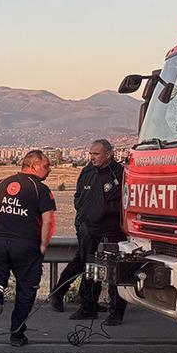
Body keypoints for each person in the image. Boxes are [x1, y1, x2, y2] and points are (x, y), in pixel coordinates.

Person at [0, 149, 56, 346]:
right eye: (46, 166)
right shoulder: (40, 189)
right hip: (26, 246)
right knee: (26, 290)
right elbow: (48, 220)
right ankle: (16, 333)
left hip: (0, 243)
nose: (49, 170)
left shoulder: (3, 182)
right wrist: (42, 245)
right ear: (33, 165)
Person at [51, 139, 127, 324]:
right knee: (87, 266)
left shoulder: (120, 173)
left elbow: (126, 201)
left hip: (111, 230)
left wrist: (103, 209)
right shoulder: (87, 172)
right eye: (90, 154)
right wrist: (83, 210)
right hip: (87, 229)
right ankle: (85, 305)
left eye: (96, 154)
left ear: (109, 154)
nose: (92, 157)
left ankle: (116, 311)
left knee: (113, 271)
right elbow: (78, 197)